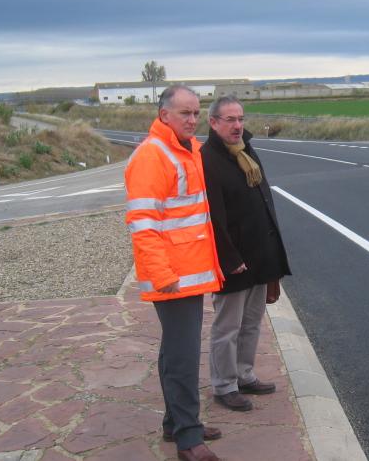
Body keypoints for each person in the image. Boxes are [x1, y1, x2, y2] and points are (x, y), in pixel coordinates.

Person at [124, 85, 223, 461]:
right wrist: (163, 274)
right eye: (185, 113)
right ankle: (188, 438)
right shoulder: (153, 156)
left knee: (174, 352)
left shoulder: (189, 150)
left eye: (196, 113)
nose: (193, 120)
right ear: (164, 115)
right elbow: (143, 223)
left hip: (189, 273)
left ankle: (177, 423)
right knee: (182, 357)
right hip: (173, 277)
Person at [201, 95, 291, 412]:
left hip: (260, 257)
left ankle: (244, 374)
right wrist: (229, 259)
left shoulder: (245, 151)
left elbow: (263, 204)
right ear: (213, 123)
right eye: (230, 120)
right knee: (227, 328)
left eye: (241, 118)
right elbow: (213, 216)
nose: (238, 125)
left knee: (252, 322)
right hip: (234, 262)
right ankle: (224, 385)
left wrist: (274, 260)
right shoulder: (208, 159)